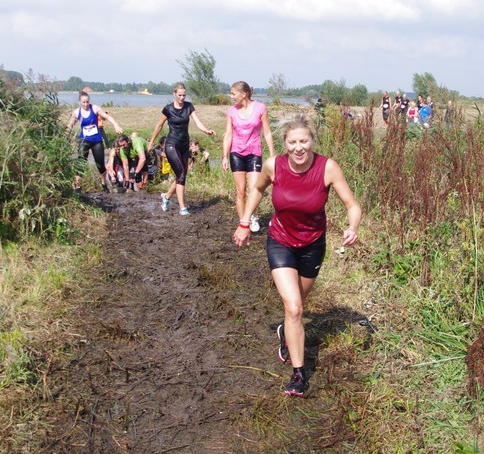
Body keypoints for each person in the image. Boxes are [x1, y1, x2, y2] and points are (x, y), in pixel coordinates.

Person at [232, 114, 361, 397]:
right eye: (292, 142)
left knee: (298, 303)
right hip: (280, 241)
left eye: (304, 141)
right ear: (285, 143)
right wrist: (244, 221)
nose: (298, 148)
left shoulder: (327, 168)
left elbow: (352, 204)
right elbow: (257, 189)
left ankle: (286, 332)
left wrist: (352, 228)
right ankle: (299, 374)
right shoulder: (273, 165)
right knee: (294, 309)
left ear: (312, 141)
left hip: (313, 245)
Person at [149, 83, 216, 215]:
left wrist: (206, 130)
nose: (182, 98)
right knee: (181, 175)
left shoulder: (189, 106)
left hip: (184, 145)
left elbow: (197, 122)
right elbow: (159, 126)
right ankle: (182, 207)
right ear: (174, 94)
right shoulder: (168, 109)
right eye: (179, 95)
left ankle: (166, 196)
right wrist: (151, 142)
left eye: (184, 95)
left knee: (182, 175)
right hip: (171, 144)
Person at [222, 81, 274, 232]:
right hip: (236, 153)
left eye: (233, 93)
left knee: (254, 189)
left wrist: (272, 155)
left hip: (254, 153)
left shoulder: (260, 108)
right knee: (241, 191)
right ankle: (243, 224)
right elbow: (228, 134)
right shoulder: (231, 111)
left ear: (244, 94)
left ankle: (253, 216)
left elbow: (267, 132)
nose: (231, 96)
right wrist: (224, 156)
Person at [66, 90, 123, 192]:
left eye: (87, 102)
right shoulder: (77, 112)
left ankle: (103, 184)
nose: (85, 104)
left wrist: (116, 125)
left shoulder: (95, 108)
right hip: (84, 140)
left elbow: (107, 117)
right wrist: (64, 137)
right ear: (80, 102)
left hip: (96, 140)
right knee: (81, 162)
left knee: (100, 164)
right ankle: (77, 185)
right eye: (83, 102)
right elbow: (70, 126)